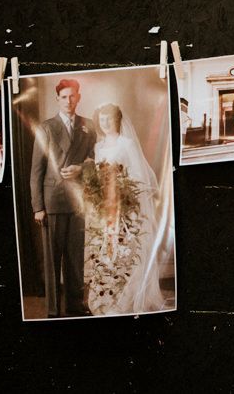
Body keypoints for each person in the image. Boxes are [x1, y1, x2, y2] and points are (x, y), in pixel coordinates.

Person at [84, 103, 165, 315]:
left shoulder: (127, 144)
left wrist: (122, 193)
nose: (106, 123)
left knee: (125, 253)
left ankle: (127, 300)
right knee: (107, 254)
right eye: (102, 120)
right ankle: (109, 301)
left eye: (109, 119)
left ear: (117, 120)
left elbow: (138, 177)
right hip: (105, 210)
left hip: (125, 207)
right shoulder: (99, 146)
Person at [30, 79, 96, 318]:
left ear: (78, 97)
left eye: (72, 96)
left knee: (75, 257)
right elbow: (36, 171)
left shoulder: (87, 126)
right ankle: (53, 310)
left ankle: (75, 306)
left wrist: (81, 168)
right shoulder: (46, 127)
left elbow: (94, 159)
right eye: (64, 97)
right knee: (52, 259)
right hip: (53, 201)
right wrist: (38, 206)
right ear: (57, 99)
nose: (69, 101)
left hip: (78, 201)